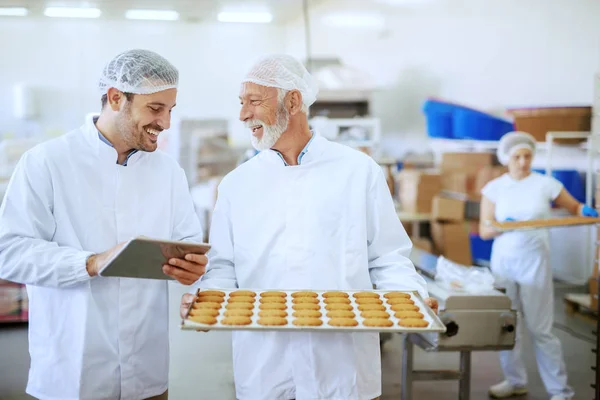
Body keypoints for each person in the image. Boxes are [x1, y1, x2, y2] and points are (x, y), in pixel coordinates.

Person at [180, 54, 437, 400]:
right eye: (241, 103)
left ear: (294, 100)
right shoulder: (236, 185)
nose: (243, 115)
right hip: (266, 367)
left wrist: (412, 298)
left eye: (254, 102)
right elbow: (224, 267)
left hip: (342, 368)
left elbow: (387, 258)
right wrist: (207, 300)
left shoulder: (359, 173)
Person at [0, 49, 207, 400]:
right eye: (155, 109)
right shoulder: (47, 162)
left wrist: (193, 268)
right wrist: (90, 263)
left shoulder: (168, 172)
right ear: (115, 98)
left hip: (147, 369)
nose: (166, 122)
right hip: (72, 371)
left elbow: (187, 239)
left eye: (170, 110)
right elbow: (11, 252)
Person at [479, 131, 597, 400]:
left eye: (527, 156)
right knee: (507, 325)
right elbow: (485, 231)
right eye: (517, 156)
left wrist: (584, 211)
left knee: (541, 329)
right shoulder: (495, 188)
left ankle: (560, 392)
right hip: (504, 263)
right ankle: (514, 380)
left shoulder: (545, 184)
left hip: (535, 261)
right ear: (506, 158)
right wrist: (502, 226)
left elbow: (574, 206)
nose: (523, 162)